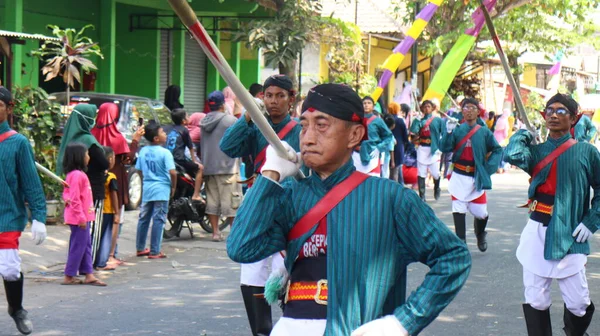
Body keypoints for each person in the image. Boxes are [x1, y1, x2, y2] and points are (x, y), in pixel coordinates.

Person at [227, 83, 471, 335]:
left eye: (321, 125)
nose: (308, 137)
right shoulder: (289, 196)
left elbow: (453, 258)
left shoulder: (391, 198)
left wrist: (403, 322)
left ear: (354, 135)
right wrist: (270, 175)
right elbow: (241, 248)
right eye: (303, 126)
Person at [504, 93, 600, 335]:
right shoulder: (536, 151)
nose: (554, 115)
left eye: (561, 111)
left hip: (571, 234)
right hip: (537, 231)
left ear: (575, 118)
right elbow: (512, 155)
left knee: (578, 303)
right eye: (549, 111)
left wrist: (591, 221)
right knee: (535, 298)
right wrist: (524, 134)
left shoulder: (587, 152)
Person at [220, 75, 300, 336]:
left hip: (290, 207)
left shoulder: (300, 130)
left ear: (292, 98)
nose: (274, 101)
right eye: (269, 96)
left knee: (289, 271)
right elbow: (228, 147)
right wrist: (247, 117)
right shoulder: (255, 127)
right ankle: (260, 331)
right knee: (252, 269)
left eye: (280, 96)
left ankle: (293, 324)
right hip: (258, 202)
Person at [0, 86, 47, 335]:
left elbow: (30, 181)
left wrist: (39, 216)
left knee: (8, 268)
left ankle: (16, 309)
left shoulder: (17, 143)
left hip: (7, 216)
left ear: (9, 108)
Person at [440, 98, 503, 252]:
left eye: (472, 107)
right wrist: (448, 132)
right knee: (458, 208)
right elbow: (445, 147)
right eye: (465, 107)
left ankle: (480, 233)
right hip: (459, 175)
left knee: (481, 213)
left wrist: (488, 168)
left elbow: (497, 150)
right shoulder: (457, 129)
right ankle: (461, 244)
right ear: (462, 111)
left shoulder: (484, 132)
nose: (468, 110)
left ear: (477, 111)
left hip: (476, 178)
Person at [91, 102, 143, 265]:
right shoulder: (117, 137)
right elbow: (129, 158)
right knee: (116, 217)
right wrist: (135, 141)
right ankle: (111, 254)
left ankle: (97, 254)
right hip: (116, 181)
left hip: (94, 182)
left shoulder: (91, 134)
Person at [57, 104, 109, 267]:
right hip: (92, 191)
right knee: (91, 231)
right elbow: (104, 163)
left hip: (75, 191)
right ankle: (87, 267)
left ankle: (81, 267)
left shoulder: (70, 139)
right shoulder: (89, 141)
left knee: (80, 235)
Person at [61, 143, 108, 287]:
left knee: (86, 245)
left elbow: (67, 194)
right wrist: (81, 218)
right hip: (78, 218)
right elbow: (74, 198)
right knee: (79, 246)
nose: (89, 157)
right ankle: (69, 275)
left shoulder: (77, 175)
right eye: (87, 154)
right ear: (79, 157)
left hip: (82, 217)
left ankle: (88, 274)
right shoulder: (76, 175)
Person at [199, 91, 241, 242]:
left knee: (212, 200)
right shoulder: (230, 121)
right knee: (231, 201)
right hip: (227, 167)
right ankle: (234, 233)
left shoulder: (204, 121)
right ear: (223, 104)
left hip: (209, 166)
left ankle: (215, 232)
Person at [135, 123, 177, 259]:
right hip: (162, 189)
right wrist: (174, 186)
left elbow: (139, 170)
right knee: (159, 219)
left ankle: (140, 247)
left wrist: (145, 181)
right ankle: (155, 250)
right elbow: (173, 172)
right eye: (162, 132)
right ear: (156, 139)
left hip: (147, 188)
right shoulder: (165, 153)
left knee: (144, 218)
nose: (165, 133)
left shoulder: (143, 151)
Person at [164, 108, 204, 202]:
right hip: (179, 161)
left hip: (166, 160)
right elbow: (190, 147)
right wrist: (194, 161)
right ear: (183, 120)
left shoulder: (167, 128)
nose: (189, 117)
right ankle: (196, 194)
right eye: (187, 116)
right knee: (200, 169)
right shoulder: (184, 130)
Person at [410, 100, 445, 202]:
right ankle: (422, 195)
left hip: (433, 149)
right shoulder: (419, 120)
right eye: (424, 107)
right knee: (421, 173)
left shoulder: (438, 120)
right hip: (422, 148)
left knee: (435, 173)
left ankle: (437, 187)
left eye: (429, 106)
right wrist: (416, 121)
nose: (426, 108)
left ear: (432, 108)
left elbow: (444, 133)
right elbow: (414, 131)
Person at [353, 96, 394, 177]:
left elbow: (388, 136)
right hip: (356, 155)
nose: (366, 105)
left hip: (372, 155)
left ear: (373, 106)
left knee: (372, 184)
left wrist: (379, 147)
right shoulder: (356, 120)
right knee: (356, 183)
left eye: (369, 103)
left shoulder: (378, 121)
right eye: (364, 103)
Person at [94, 147, 119, 271]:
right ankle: (102, 262)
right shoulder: (111, 176)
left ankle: (94, 261)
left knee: (96, 236)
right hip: (108, 210)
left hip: (97, 210)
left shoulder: (95, 175)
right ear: (110, 159)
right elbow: (114, 194)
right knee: (105, 237)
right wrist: (117, 212)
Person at [388, 103, 409, 184]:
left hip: (388, 146)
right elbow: (405, 135)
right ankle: (399, 185)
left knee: (390, 168)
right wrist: (406, 144)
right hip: (399, 146)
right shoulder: (400, 120)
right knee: (398, 167)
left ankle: (397, 184)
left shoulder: (386, 119)